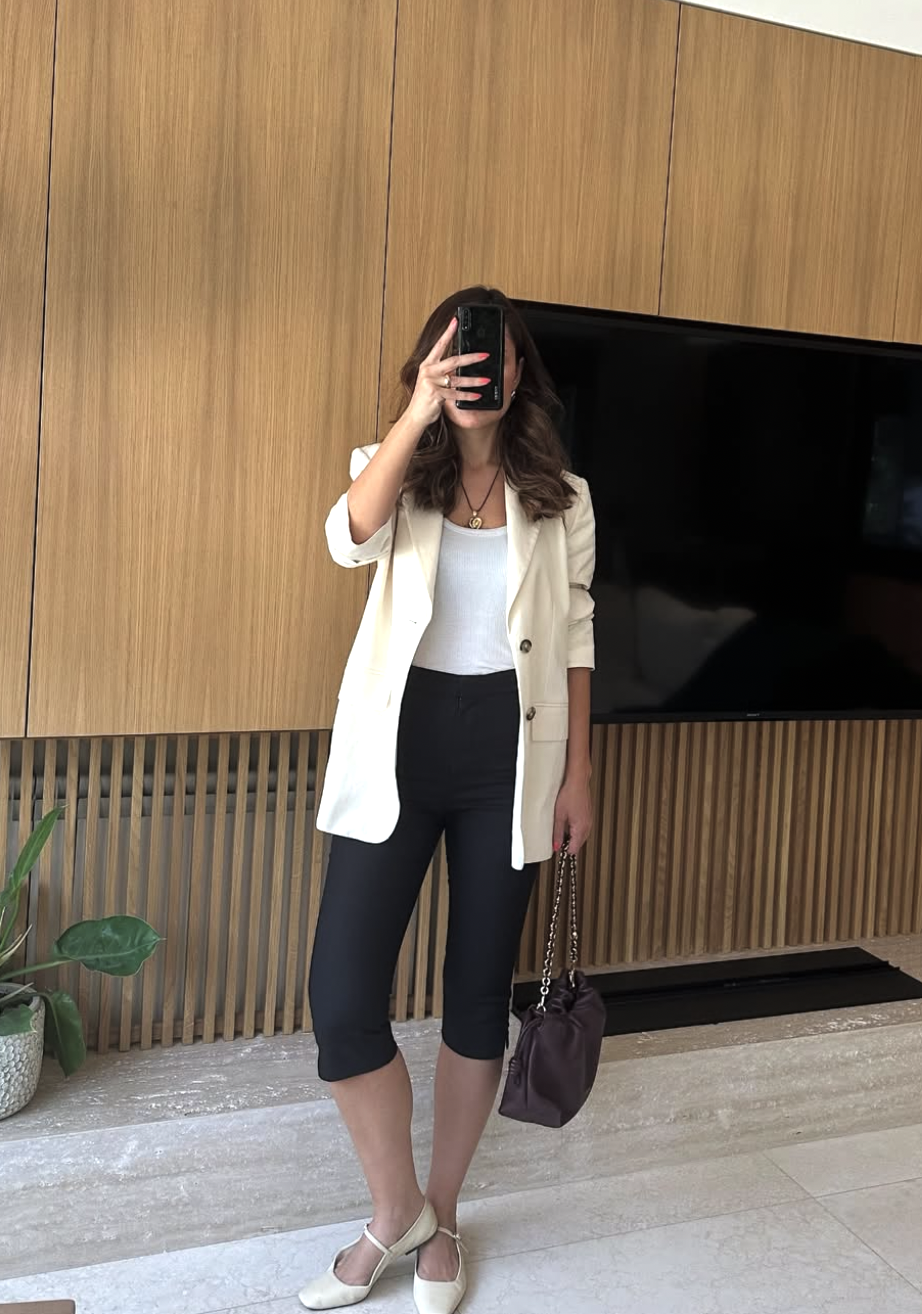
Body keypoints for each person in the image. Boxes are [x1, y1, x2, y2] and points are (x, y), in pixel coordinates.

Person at [299, 286, 596, 1314]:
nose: (480, 368)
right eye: (459, 352)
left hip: (510, 756)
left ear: (520, 374)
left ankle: (446, 1213)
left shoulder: (562, 495)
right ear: (432, 361)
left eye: (496, 355)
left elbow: (576, 633)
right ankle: (397, 1212)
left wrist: (579, 772)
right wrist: (420, 411)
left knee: (475, 997)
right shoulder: (392, 467)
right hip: (399, 748)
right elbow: (346, 537)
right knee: (342, 1000)